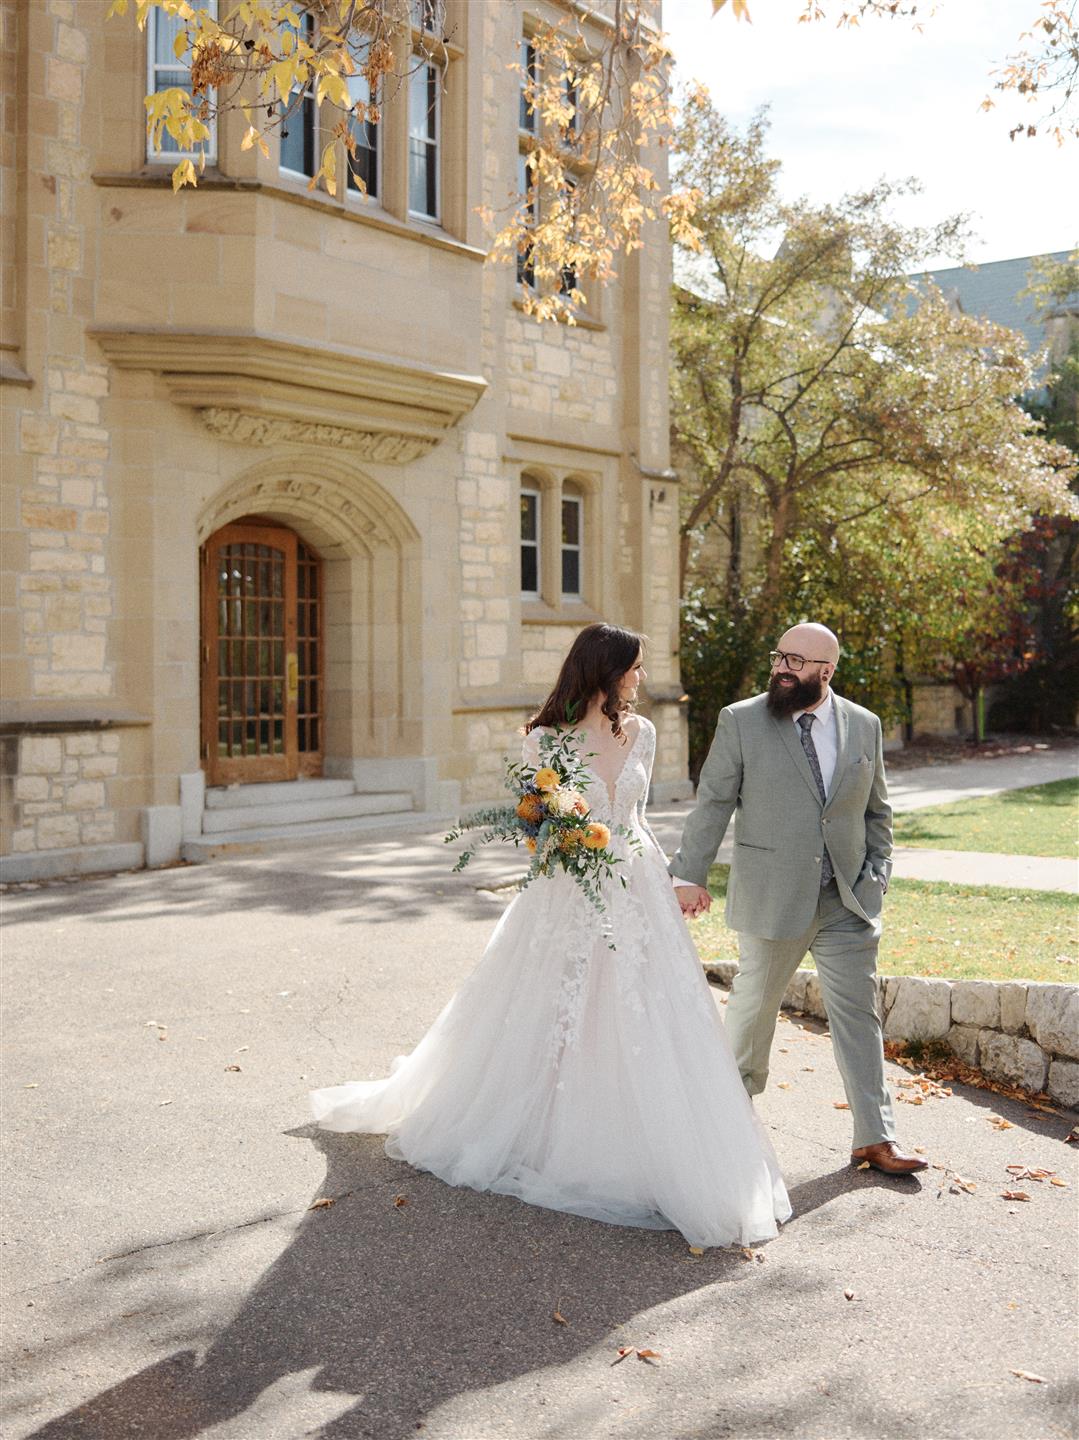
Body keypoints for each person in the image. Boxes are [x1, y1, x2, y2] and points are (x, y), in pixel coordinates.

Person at [312, 623, 791, 1249]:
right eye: (634, 667)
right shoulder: (544, 739)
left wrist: (673, 880)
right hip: (568, 885)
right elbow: (537, 822)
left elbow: (639, 817)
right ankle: (540, 1119)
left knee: (642, 1002)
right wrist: (560, 842)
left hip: (638, 882)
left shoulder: (643, 733)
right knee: (557, 996)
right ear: (605, 670)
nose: (640, 677)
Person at [670, 622, 927, 1176]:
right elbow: (714, 801)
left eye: (795, 661)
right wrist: (688, 873)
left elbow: (877, 810)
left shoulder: (864, 724)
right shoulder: (741, 720)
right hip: (773, 895)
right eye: (779, 657)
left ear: (826, 671)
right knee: (752, 1013)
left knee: (859, 1016)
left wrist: (878, 874)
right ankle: (726, 1129)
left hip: (847, 900)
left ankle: (875, 1137)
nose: (781, 668)